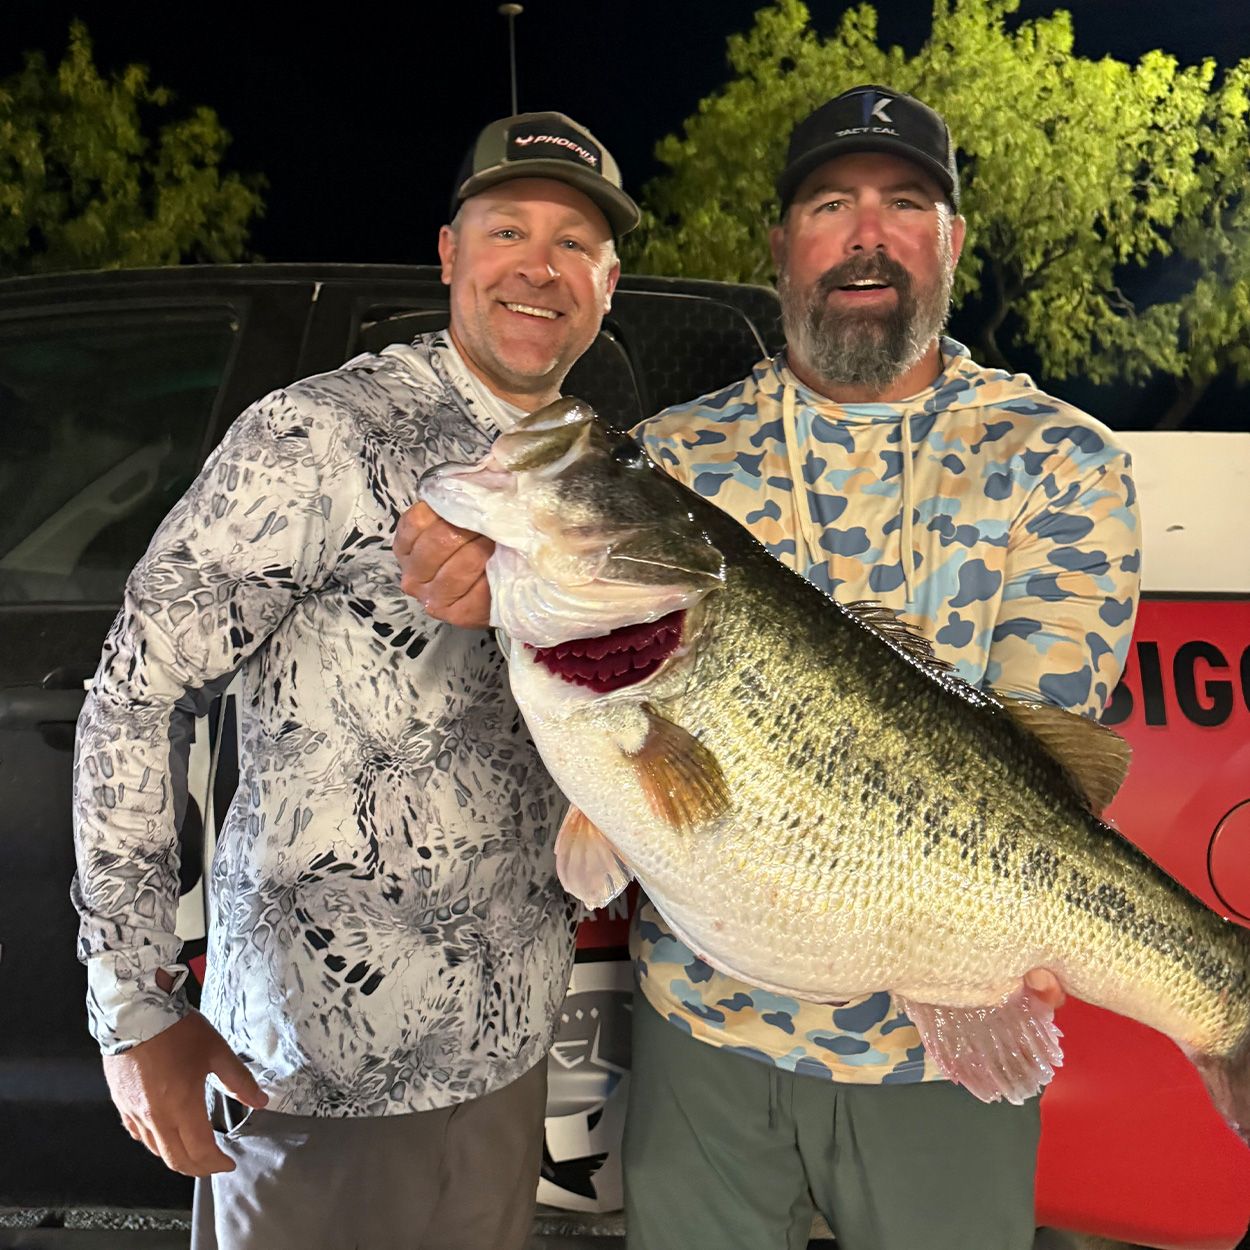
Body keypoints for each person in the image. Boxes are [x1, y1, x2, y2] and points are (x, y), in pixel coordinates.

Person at [399, 88, 1140, 1249]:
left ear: (950, 241)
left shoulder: (1058, 461)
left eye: (905, 204)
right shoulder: (680, 454)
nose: (866, 232)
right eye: (829, 203)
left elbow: (1045, 747)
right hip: (703, 1038)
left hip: (931, 1058)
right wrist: (459, 574)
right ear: (781, 245)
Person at [72, 110, 639, 1250]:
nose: (539, 266)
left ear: (609, 282)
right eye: (507, 230)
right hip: (309, 1074)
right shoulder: (321, 435)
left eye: (573, 243)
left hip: (503, 1047)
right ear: (447, 255)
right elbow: (135, 693)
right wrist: (134, 1006)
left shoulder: (603, 471)